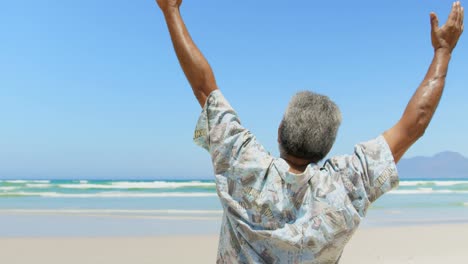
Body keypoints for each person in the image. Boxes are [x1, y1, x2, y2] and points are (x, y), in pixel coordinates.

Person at [155, 0, 464, 263]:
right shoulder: (346, 186)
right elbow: (414, 125)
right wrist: (443, 52)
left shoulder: (243, 164)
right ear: (326, 149)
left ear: (279, 132)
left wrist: (170, 10)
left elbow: (204, 88)